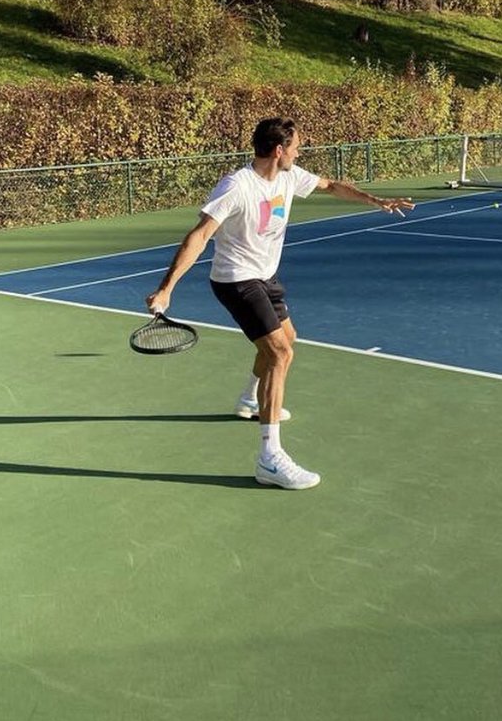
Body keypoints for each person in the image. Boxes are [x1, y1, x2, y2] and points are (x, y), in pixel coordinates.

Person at [145, 117, 415, 490]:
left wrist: (376, 201)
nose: (299, 151)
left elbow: (331, 185)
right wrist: (167, 288)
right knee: (279, 354)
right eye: (296, 146)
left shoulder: (289, 176)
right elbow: (200, 235)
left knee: (288, 338)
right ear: (278, 150)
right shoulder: (236, 186)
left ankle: (249, 399)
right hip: (236, 280)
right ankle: (269, 459)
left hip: (266, 277)